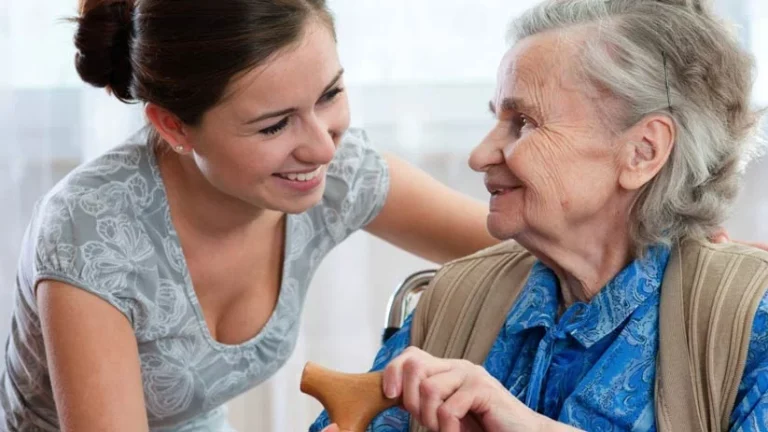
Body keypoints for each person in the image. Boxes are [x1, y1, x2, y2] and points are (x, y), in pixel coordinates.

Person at [0, 0, 502, 431]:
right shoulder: (90, 235)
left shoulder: (338, 173)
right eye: (274, 126)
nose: (322, 147)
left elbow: (522, 244)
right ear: (173, 125)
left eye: (329, 95)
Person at [311, 0, 768, 431]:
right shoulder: (456, 298)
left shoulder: (749, 319)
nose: (480, 155)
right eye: (497, 120)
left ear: (642, 152)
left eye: (524, 122)